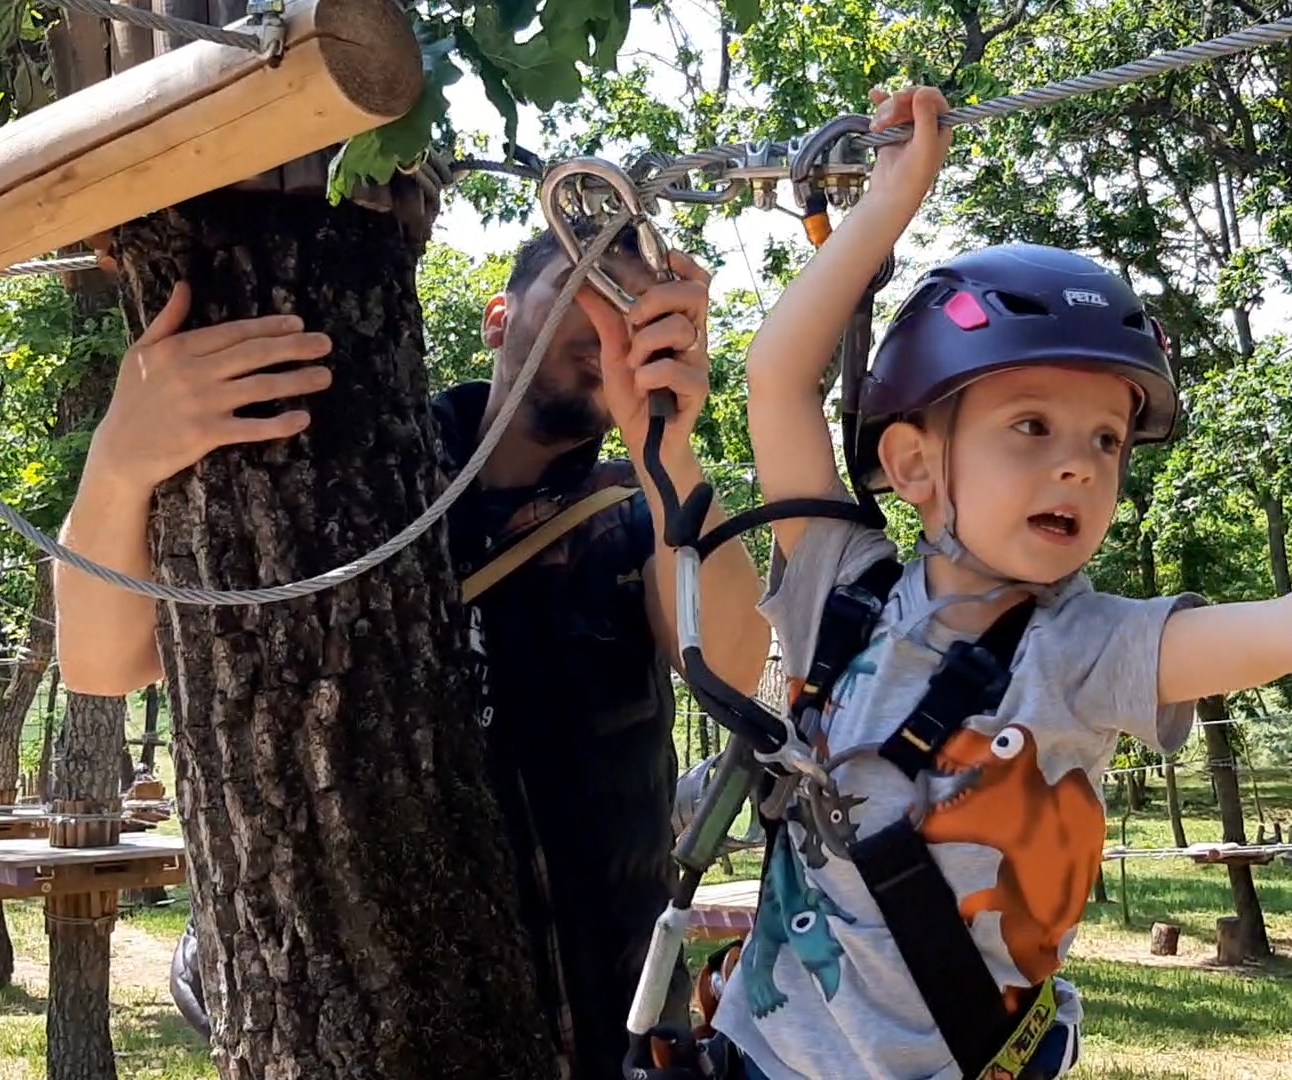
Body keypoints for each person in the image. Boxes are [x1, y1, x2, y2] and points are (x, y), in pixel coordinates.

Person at [696, 84, 1292, 1080]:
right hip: (761, 1055)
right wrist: (892, 202)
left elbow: (1288, 629)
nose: (1079, 465)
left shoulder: (1084, 648)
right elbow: (778, 379)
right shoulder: (840, 590)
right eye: (1031, 426)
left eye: (1106, 440)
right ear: (915, 463)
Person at [53, 224, 771, 1079]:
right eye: (583, 289)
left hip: (605, 1029)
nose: (609, 325)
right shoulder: (355, 478)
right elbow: (101, 663)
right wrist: (118, 463)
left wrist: (666, 445)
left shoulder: (640, 510)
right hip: (355, 1022)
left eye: (636, 308)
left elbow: (732, 670)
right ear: (499, 319)